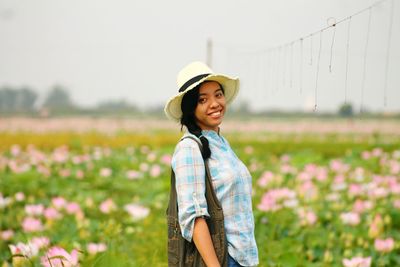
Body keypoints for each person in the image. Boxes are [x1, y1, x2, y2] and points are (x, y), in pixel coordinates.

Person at [165, 61, 259, 267]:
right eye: (203, 99)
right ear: (191, 108)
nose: (215, 103)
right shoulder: (189, 149)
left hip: (243, 258)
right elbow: (194, 218)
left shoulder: (220, 142)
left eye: (218, 94)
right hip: (223, 259)